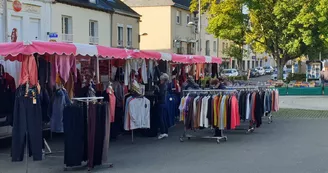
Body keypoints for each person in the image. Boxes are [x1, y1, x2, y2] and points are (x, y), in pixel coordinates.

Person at [155, 73, 169, 139]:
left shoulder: (162, 86)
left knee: (161, 118)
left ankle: (163, 132)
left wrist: (157, 90)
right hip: (164, 103)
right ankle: (165, 132)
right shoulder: (165, 85)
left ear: (162, 80)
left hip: (161, 103)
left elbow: (160, 94)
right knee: (164, 117)